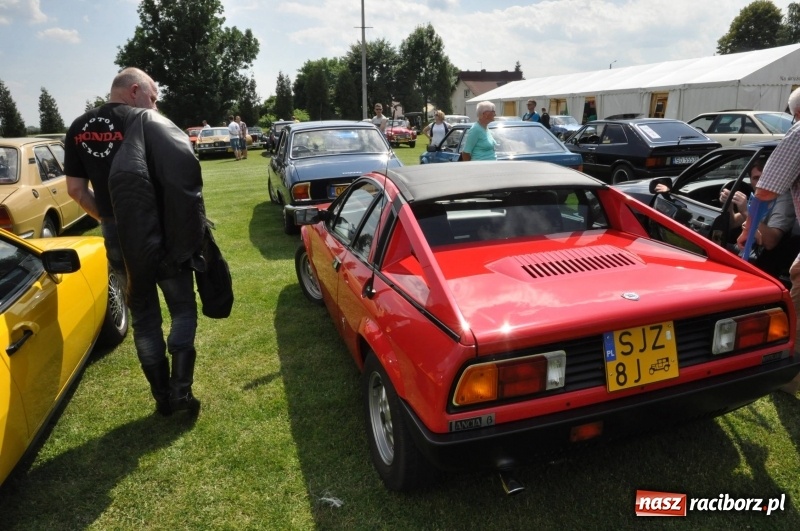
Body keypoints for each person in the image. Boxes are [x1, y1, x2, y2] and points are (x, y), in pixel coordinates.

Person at [64, 67, 207, 416]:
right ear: (133, 91)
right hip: (163, 230)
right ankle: (181, 393)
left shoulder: (78, 127)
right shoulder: (147, 121)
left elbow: (75, 190)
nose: (155, 105)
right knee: (183, 308)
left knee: (143, 316)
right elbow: (180, 179)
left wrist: (111, 219)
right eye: (153, 97)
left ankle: (162, 398)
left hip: (118, 234)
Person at [746, 86, 800, 395]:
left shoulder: (798, 134)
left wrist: (750, 211)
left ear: (796, 114)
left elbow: (767, 189)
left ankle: (788, 379)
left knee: (798, 307)